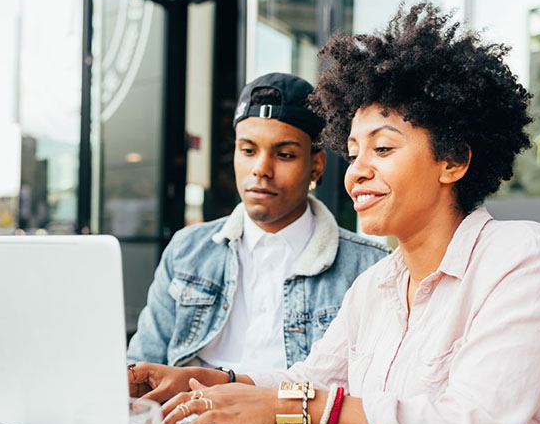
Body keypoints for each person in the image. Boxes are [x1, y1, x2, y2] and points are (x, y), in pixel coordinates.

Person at [156, 2, 540, 424]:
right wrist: (214, 378)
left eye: (382, 149)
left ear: (454, 160)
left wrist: (291, 408)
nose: (356, 172)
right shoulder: (376, 285)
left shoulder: (523, 257)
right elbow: (308, 378)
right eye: (353, 154)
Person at [126, 72, 389, 401]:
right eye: (248, 150)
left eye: (285, 155)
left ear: (316, 167)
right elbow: (141, 363)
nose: (261, 169)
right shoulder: (187, 249)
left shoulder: (369, 267)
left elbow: (363, 395)